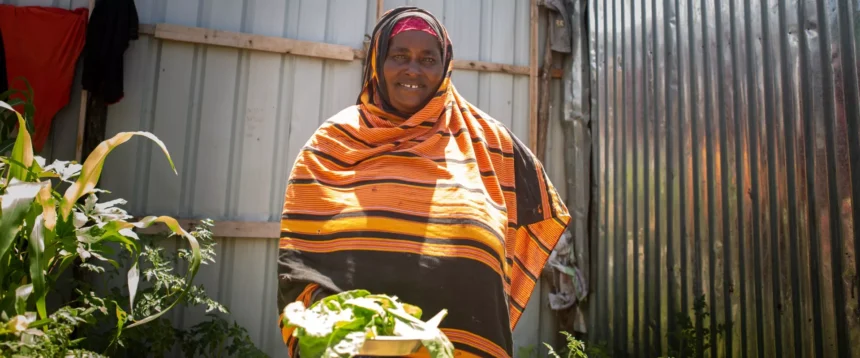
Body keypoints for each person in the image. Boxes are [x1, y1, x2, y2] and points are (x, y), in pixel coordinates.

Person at [277, 6, 571, 358]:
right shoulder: (331, 145)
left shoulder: (489, 144)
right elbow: (299, 262)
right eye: (399, 55)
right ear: (376, 63)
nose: (412, 69)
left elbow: (538, 213)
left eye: (427, 59)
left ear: (445, 66)